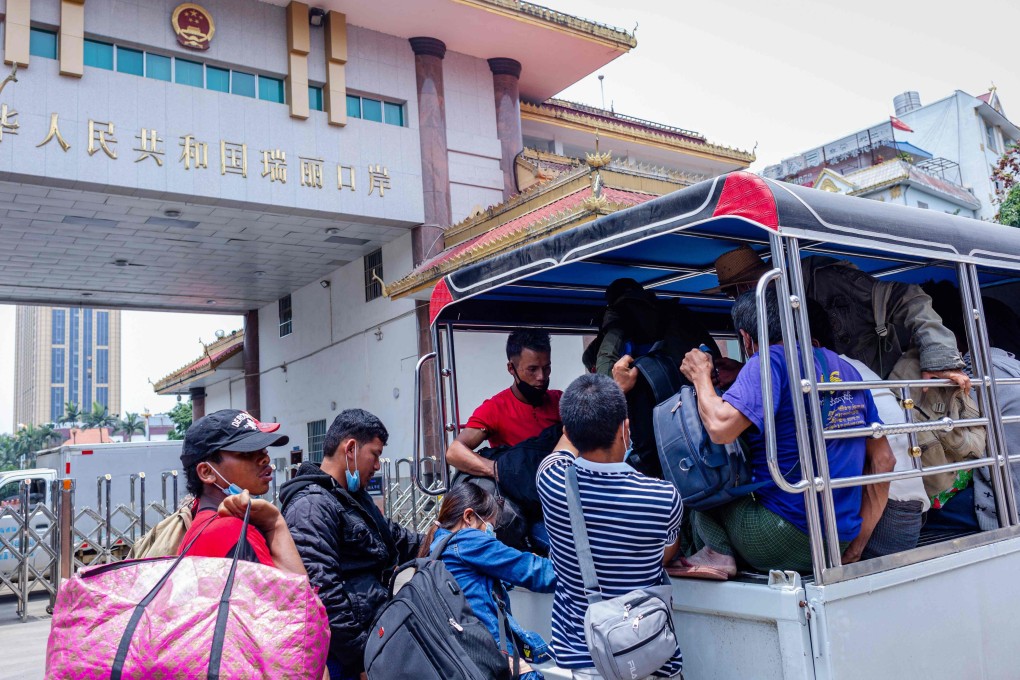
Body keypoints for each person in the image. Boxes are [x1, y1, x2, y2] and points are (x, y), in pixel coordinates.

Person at [679, 289, 896, 574]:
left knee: (700, 491)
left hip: (780, 538)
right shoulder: (844, 368)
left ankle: (717, 554)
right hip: (838, 541)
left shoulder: (768, 360)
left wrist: (700, 378)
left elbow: (721, 428)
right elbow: (884, 460)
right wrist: (856, 546)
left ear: (746, 338)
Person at [537, 373, 684, 679]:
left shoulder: (550, 481)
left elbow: (563, 449)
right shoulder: (663, 497)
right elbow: (665, 554)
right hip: (650, 659)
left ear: (568, 431)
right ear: (625, 428)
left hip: (580, 659)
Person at [707, 244, 970, 390]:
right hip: (833, 402)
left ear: (744, 289)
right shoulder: (771, 316)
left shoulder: (826, 281)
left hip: (882, 392)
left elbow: (908, 297)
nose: (736, 300)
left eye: (733, 293)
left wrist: (939, 356)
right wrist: (745, 371)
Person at [279, 409, 421, 680]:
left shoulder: (351, 498)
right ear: (351, 448)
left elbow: (395, 538)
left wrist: (446, 536)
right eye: (375, 454)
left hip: (373, 639)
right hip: (344, 659)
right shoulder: (311, 505)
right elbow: (323, 594)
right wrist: (361, 660)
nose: (378, 465)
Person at [808, 300, 929, 559]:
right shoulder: (849, 367)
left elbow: (884, 460)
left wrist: (857, 545)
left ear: (814, 346)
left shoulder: (832, 378)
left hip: (886, 516)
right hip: (903, 511)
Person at [420, 482, 557, 680]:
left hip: (469, 658)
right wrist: (579, 574)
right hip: (493, 657)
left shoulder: (437, 549)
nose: (491, 533)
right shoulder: (466, 540)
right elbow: (533, 571)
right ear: (468, 517)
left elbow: (479, 583)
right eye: (489, 525)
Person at [923, 280, 1020, 532]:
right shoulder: (1011, 366)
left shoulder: (976, 373)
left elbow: (947, 436)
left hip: (1006, 501)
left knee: (914, 513)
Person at [177, 409, 305, 576]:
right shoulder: (233, 531)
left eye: (264, 449)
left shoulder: (198, 525)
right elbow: (299, 599)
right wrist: (275, 524)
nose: (265, 458)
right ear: (207, 472)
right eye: (247, 452)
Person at [446, 330, 563, 478]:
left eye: (546, 368)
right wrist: (498, 470)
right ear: (511, 368)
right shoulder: (495, 408)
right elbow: (454, 452)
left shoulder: (560, 401)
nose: (541, 377)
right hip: (520, 492)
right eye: (532, 369)